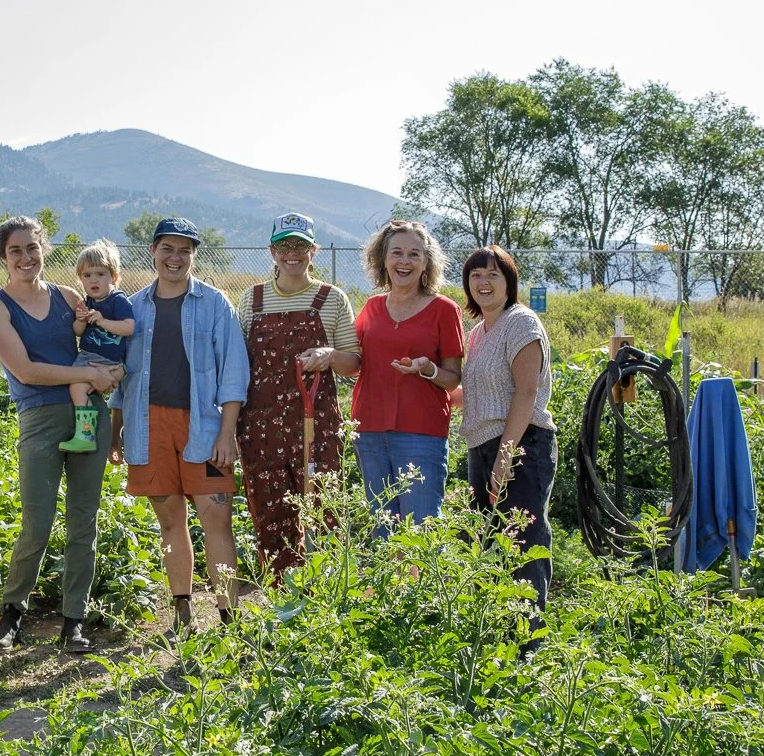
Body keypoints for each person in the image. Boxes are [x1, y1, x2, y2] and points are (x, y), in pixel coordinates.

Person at [0, 216, 120, 655]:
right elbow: (26, 370)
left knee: (84, 520)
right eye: (15, 251)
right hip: (39, 419)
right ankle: (13, 613)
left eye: (32, 248)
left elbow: (103, 344)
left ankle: (73, 620)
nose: (26, 258)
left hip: (89, 417)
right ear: (4, 257)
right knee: (36, 523)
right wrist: (88, 374)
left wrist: (107, 374)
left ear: (45, 250)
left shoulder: (67, 296)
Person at [117, 216, 249, 630]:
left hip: (204, 429)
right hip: (148, 428)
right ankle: (182, 611)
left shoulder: (214, 304)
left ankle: (229, 617)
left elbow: (233, 373)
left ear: (194, 255)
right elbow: (120, 375)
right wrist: (115, 430)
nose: (176, 257)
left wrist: (227, 433)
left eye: (185, 250)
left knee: (216, 518)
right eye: (168, 248)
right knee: (171, 520)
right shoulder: (132, 308)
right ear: (153, 251)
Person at [235, 213, 359, 575]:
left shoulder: (331, 299)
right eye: (285, 246)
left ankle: (329, 600)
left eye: (301, 246)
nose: (293, 253)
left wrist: (330, 356)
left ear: (314, 250)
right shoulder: (252, 300)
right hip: (260, 428)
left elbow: (354, 364)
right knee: (271, 514)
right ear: (271, 251)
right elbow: (238, 365)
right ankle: (284, 603)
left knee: (325, 510)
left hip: (316, 423)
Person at [459, 245, 558, 610]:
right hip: (482, 446)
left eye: (492, 274)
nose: (483, 282)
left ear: (508, 281)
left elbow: (526, 392)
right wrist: (427, 374)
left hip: (521, 444)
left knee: (523, 545)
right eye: (475, 275)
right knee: (489, 545)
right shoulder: (479, 332)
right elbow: (481, 391)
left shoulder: (521, 322)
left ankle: (529, 644)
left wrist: (506, 456)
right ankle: (499, 637)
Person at [351, 220, 465, 536]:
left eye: (414, 254)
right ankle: (391, 588)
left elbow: (453, 378)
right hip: (370, 430)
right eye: (397, 253)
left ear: (427, 262)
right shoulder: (372, 307)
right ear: (382, 260)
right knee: (382, 525)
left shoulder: (444, 309)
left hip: (421, 433)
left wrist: (427, 368)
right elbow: (354, 361)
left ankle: (424, 587)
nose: (405, 261)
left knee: (421, 528)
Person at [59, 240, 134, 452]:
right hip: (87, 356)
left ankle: (85, 434)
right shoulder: (88, 302)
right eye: (87, 275)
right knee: (77, 389)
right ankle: (86, 432)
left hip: (105, 360)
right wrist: (81, 319)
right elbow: (78, 331)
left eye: (100, 274)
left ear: (114, 277)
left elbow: (129, 327)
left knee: (76, 388)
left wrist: (102, 321)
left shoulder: (117, 300)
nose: (94, 280)